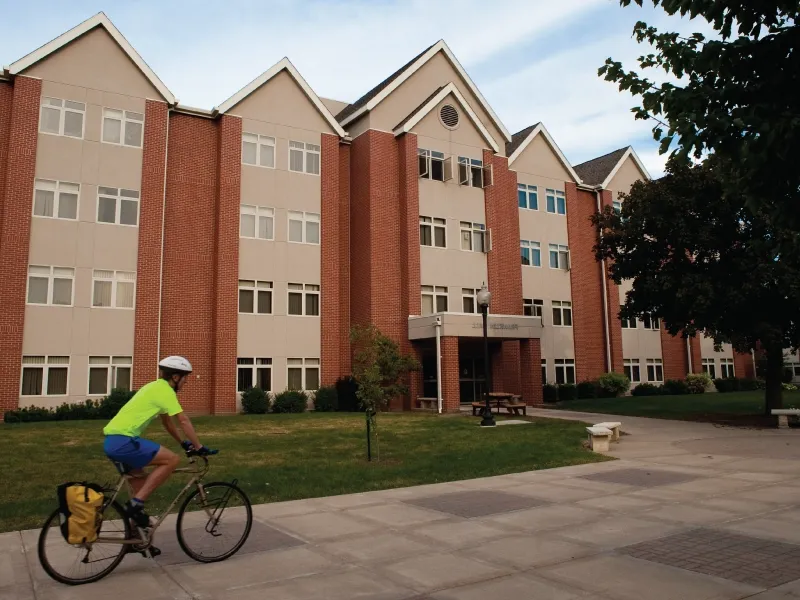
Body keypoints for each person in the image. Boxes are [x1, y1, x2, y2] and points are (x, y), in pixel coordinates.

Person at [103, 356, 212, 528]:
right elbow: (183, 421)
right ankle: (135, 504)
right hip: (124, 441)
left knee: (140, 486)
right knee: (172, 460)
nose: (186, 383)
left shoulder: (154, 387)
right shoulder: (166, 391)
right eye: (185, 378)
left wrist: (183, 443)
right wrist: (199, 447)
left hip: (113, 441)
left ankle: (135, 538)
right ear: (175, 377)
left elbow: (167, 422)